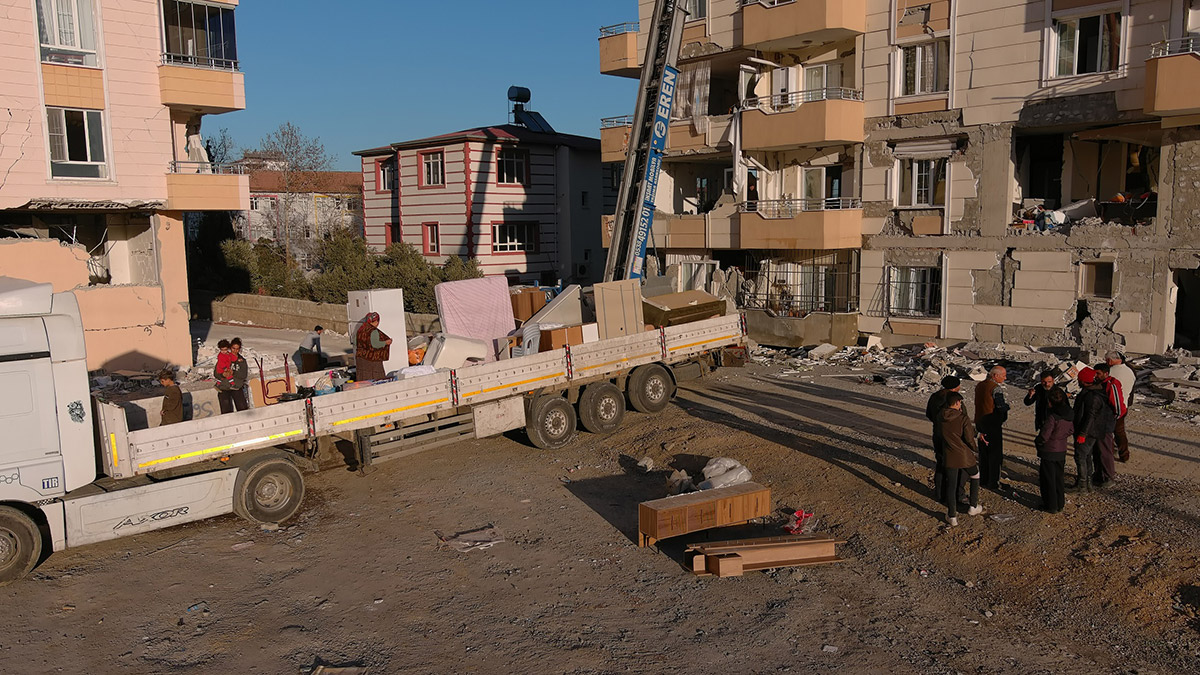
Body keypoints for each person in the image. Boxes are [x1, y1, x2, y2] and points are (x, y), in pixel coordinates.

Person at [939, 392, 984, 526]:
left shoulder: (940, 416)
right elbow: (969, 438)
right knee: (975, 475)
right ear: (958, 403)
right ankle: (973, 506)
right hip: (964, 455)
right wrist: (975, 449)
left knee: (951, 485)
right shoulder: (962, 418)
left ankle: (952, 516)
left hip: (949, 454)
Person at [1072, 367, 1114, 493]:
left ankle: (1082, 485)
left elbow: (1090, 416)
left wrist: (1083, 433)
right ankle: (1088, 484)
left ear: (1084, 381)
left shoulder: (1092, 396)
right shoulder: (1096, 392)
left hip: (1088, 431)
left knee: (1080, 457)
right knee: (1087, 456)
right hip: (1092, 431)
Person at [925, 375, 963, 502]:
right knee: (954, 466)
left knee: (941, 463)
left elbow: (928, 414)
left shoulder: (935, 396)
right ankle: (954, 495)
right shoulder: (954, 400)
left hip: (937, 433)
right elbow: (961, 418)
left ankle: (940, 493)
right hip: (952, 436)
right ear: (956, 387)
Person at [1036, 388, 1073, 513]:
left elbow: (1045, 435)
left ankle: (1051, 505)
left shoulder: (1052, 417)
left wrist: (1039, 441)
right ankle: (1060, 503)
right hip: (1061, 449)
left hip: (1049, 450)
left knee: (1048, 479)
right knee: (1059, 478)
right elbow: (1071, 430)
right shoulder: (1069, 414)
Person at [974, 365, 1009, 490]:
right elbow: (1000, 406)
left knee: (983, 453)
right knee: (995, 455)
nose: (1005, 378)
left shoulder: (980, 385)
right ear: (995, 375)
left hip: (980, 421)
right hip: (992, 423)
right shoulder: (995, 388)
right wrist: (1006, 408)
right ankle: (994, 482)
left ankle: (984, 479)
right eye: (1003, 375)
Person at [1092, 362, 1125, 488]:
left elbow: (1118, 406)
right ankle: (1098, 474)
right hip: (1097, 423)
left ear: (1106, 374)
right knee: (1097, 451)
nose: (1096, 376)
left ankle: (1109, 477)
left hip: (1105, 423)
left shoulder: (1112, 384)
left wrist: (1113, 418)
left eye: (1098, 373)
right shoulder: (1098, 384)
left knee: (1105, 451)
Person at [1106, 350, 1135, 463]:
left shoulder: (1110, 372)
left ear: (1109, 360)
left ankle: (1109, 452)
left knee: (1108, 432)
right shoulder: (1130, 371)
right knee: (1120, 432)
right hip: (1124, 405)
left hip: (1111, 406)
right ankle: (1124, 455)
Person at [354, 312, 392, 382]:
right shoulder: (373, 331)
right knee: (376, 379)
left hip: (360, 358)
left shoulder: (360, 329)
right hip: (372, 359)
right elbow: (375, 344)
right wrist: (386, 342)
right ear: (376, 321)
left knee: (363, 380)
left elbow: (355, 342)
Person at [216, 337, 249, 413]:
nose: (235, 351)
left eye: (237, 349)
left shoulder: (241, 361)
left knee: (242, 410)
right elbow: (216, 372)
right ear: (230, 348)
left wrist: (233, 373)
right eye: (233, 348)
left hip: (236, 388)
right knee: (226, 412)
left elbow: (243, 375)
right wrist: (223, 374)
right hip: (224, 388)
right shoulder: (223, 357)